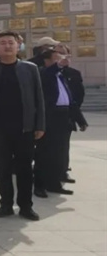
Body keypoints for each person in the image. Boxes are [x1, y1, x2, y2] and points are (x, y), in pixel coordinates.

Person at [0, 30, 45, 221]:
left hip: (25, 128)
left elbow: (39, 99)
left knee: (25, 169)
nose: (7, 46)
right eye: (3, 43)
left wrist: (40, 125)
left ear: (18, 46)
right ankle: (5, 204)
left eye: (11, 42)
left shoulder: (30, 69)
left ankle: (26, 206)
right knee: (2, 168)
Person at [34, 47, 74, 198]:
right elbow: (47, 74)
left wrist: (79, 119)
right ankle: (39, 185)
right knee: (44, 153)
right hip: (49, 119)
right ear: (47, 60)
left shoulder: (61, 76)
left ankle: (54, 183)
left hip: (63, 118)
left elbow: (69, 99)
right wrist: (58, 65)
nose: (61, 60)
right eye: (57, 58)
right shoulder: (42, 72)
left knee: (59, 154)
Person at [57, 44, 87, 183]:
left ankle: (63, 171)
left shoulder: (74, 73)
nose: (62, 56)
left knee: (64, 146)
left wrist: (76, 116)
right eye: (58, 53)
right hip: (49, 117)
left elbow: (78, 96)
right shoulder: (44, 72)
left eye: (64, 53)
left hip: (67, 116)